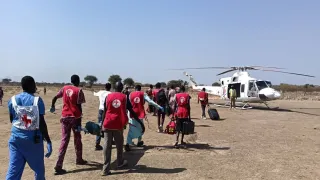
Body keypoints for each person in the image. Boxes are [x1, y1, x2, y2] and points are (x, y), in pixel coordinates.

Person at [6, 76, 52, 180]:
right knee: (39, 171)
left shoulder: (12, 100)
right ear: (32, 85)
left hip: (16, 140)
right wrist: (48, 141)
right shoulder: (37, 100)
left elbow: (12, 119)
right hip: (33, 141)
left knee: (13, 171)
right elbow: (42, 124)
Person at [100, 81, 139, 176]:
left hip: (107, 123)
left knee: (107, 145)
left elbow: (104, 111)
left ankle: (105, 169)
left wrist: (102, 124)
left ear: (114, 87)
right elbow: (128, 110)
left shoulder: (108, 96)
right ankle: (120, 162)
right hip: (118, 124)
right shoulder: (124, 97)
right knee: (119, 144)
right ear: (122, 88)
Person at [50, 74, 87, 175]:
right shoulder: (79, 91)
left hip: (65, 117)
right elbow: (79, 107)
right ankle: (79, 159)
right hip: (75, 118)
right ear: (78, 81)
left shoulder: (64, 88)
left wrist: (52, 106)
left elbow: (55, 97)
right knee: (77, 139)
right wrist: (79, 121)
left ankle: (58, 164)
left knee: (64, 140)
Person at [125, 84, 163, 151]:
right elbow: (150, 101)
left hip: (131, 114)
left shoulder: (130, 94)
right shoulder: (143, 94)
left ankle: (128, 143)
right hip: (140, 114)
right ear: (140, 89)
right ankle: (138, 142)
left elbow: (126, 104)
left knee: (131, 128)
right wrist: (158, 107)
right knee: (141, 128)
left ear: (135, 88)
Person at [93, 82, 112, 150]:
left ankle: (97, 144)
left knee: (99, 126)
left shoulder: (101, 92)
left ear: (104, 87)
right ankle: (109, 142)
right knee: (109, 126)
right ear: (110, 87)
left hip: (101, 110)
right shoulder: (110, 94)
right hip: (107, 111)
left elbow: (94, 94)